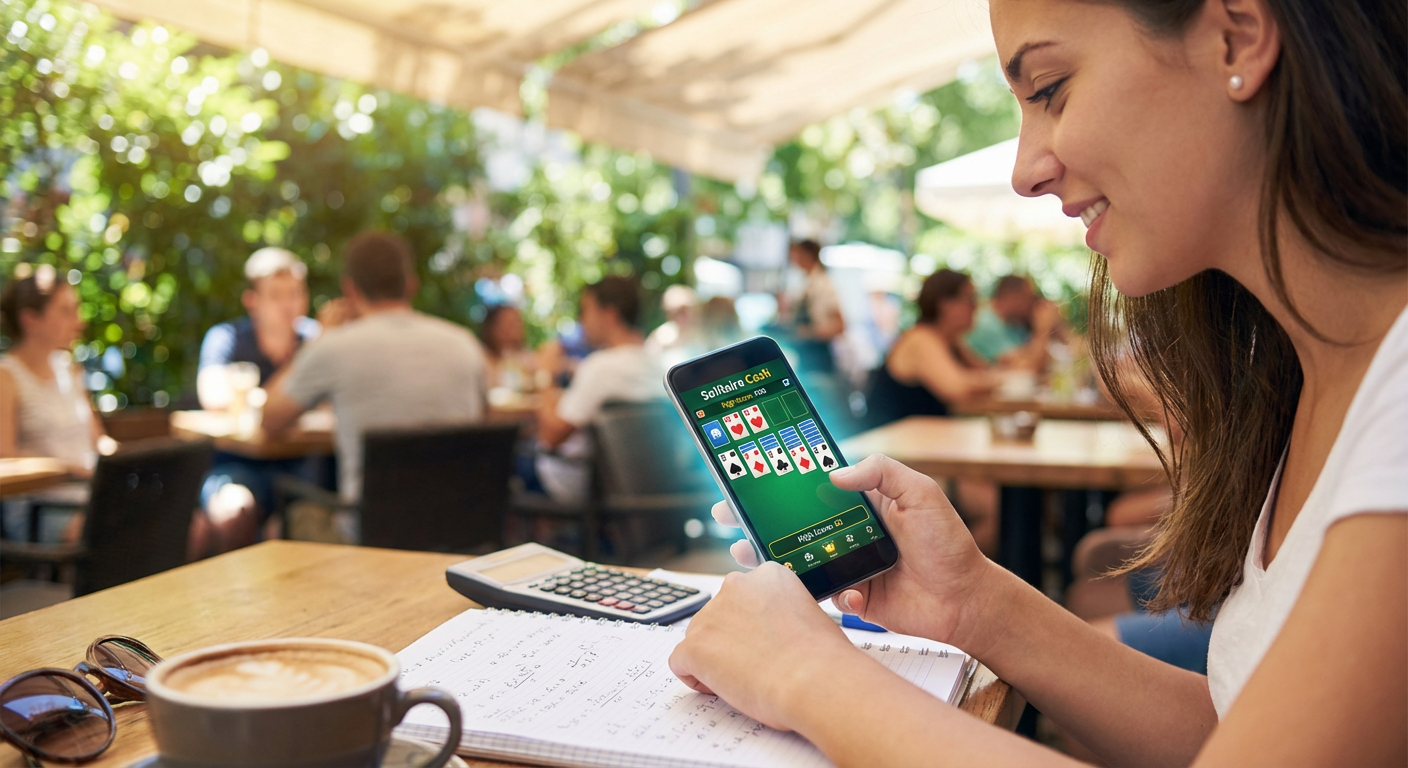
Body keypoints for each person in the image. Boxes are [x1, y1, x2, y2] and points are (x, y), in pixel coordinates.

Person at [668, 1, 1406, 766]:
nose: (1025, 170)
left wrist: (805, 674)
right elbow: (1238, 735)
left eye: (1049, 88)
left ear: (1237, 36)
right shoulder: (1320, 376)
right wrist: (973, 602)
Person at [262, 231, 488, 517]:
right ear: (411, 284)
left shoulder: (333, 348)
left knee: (301, 515)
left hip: (370, 538)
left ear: (350, 290)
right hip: (460, 527)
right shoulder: (464, 344)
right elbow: (482, 421)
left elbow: (269, 419)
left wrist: (317, 340)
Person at [195, 247, 321, 547]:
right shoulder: (227, 338)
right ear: (252, 301)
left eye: (295, 293)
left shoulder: (314, 338)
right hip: (238, 465)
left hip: (303, 466)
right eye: (277, 295)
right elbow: (214, 397)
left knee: (311, 516)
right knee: (233, 512)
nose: (289, 304)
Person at [527, 277, 663, 504]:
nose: (581, 321)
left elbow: (551, 436)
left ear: (609, 315)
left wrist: (546, 374)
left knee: (518, 461)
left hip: (588, 488)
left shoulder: (600, 367)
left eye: (585, 311)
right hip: (645, 487)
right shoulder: (656, 364)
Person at [0, 265, 110, 543]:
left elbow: (99, 442)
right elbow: (5, 459)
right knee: (116, 533)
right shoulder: (7, 377)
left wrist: (130, 464)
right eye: (66, 311)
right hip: (43, 509)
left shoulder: (70, 370)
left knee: (179, 520)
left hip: (93, 495)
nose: (79, 321)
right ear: (30, 319)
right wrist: (67, 468)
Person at [864, 269, 1001, 428]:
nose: (977, 307)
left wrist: (993, 379)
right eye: (971, 299)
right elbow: (958, 389)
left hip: (921, 438)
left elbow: (984, 371)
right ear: (945, 305)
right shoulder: (921, 338)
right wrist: (997, 381)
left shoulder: (950, 340)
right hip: (890, 444)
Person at [965, 275, 1064, 370]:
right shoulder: (985, 324)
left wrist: (1058, 327)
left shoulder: (1014, 324)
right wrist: (1043, 329)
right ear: (1013, 297)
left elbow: (1046, 359)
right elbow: (1028, 368)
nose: (1032, 304)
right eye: (1028, 298)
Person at [778, 239, 845, 373]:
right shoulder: (805, 283)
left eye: (797, 254)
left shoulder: (824, 285)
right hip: (805, 355)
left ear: (808, 255)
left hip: (819, 357)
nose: (793, 259)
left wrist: (808, 332)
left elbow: (840, 325)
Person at [479, 304, 536, 391]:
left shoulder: (526, 357)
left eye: (517, 322)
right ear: (492, 327)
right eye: (508, 323)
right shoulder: (480, 357)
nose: (514, 328)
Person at [644, 285, 701, 368]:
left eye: (686, 310)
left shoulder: (701, 335)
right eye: (678, 312)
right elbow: (649, 364)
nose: (683, 316)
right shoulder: (661, 337)